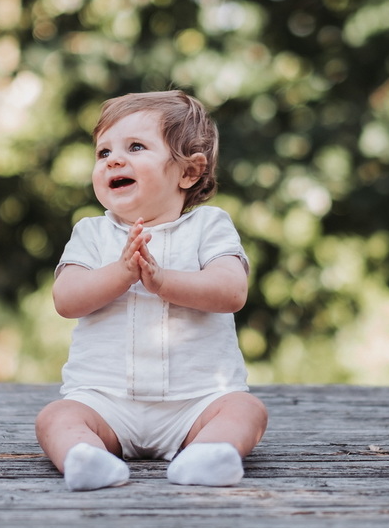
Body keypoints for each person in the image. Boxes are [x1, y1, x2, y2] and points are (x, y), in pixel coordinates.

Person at [35, 90, 268, 491]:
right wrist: (122, 273)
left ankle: (207, 454)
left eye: (136, 147)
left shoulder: (208, 226)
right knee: (55, 417)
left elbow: (232, 291)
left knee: (247, 410)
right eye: (103, 151)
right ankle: (85, 457)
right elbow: (66, 299)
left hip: (197, 403)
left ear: (188, 172)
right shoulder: (91, 233)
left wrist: (162, 281)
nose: (113, 160)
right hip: (104, 402)